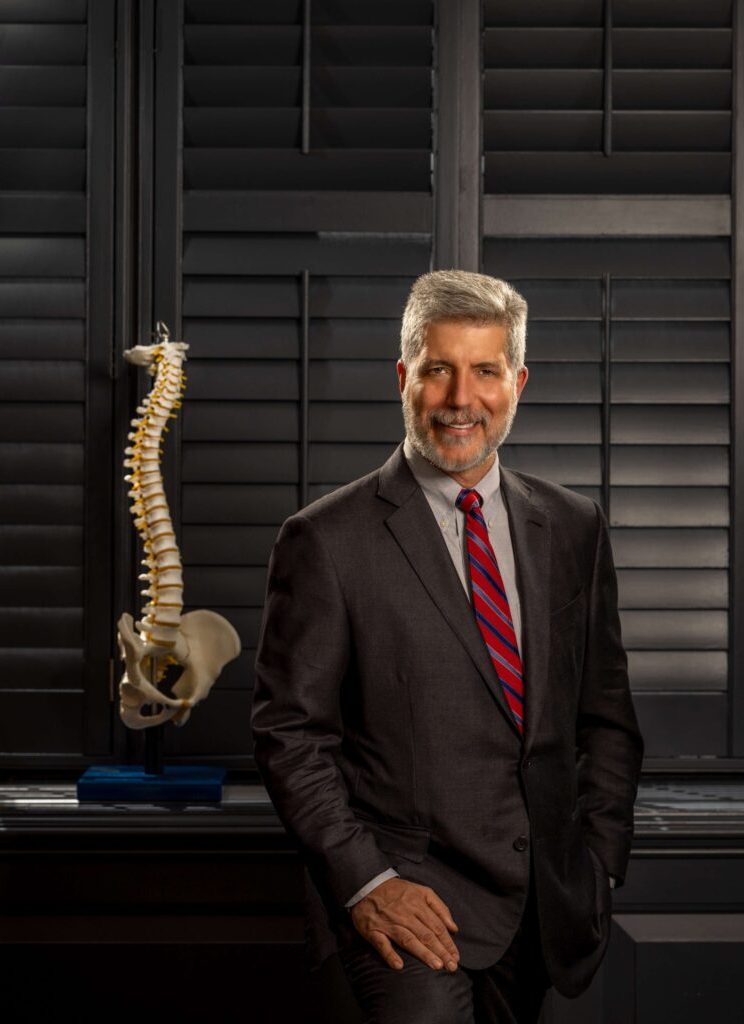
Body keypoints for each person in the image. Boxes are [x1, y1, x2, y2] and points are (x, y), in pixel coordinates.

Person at [252, 269, 643, 1023]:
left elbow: (607, 715)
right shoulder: (325, 540)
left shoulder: (571, 526)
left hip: (542, 906)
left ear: (517, 381)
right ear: (404, 378)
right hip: (408, 903)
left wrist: (598, 865)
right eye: (438, 370)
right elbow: (288, 733)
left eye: (484, 371)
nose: (461, 398)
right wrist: (365, 883)